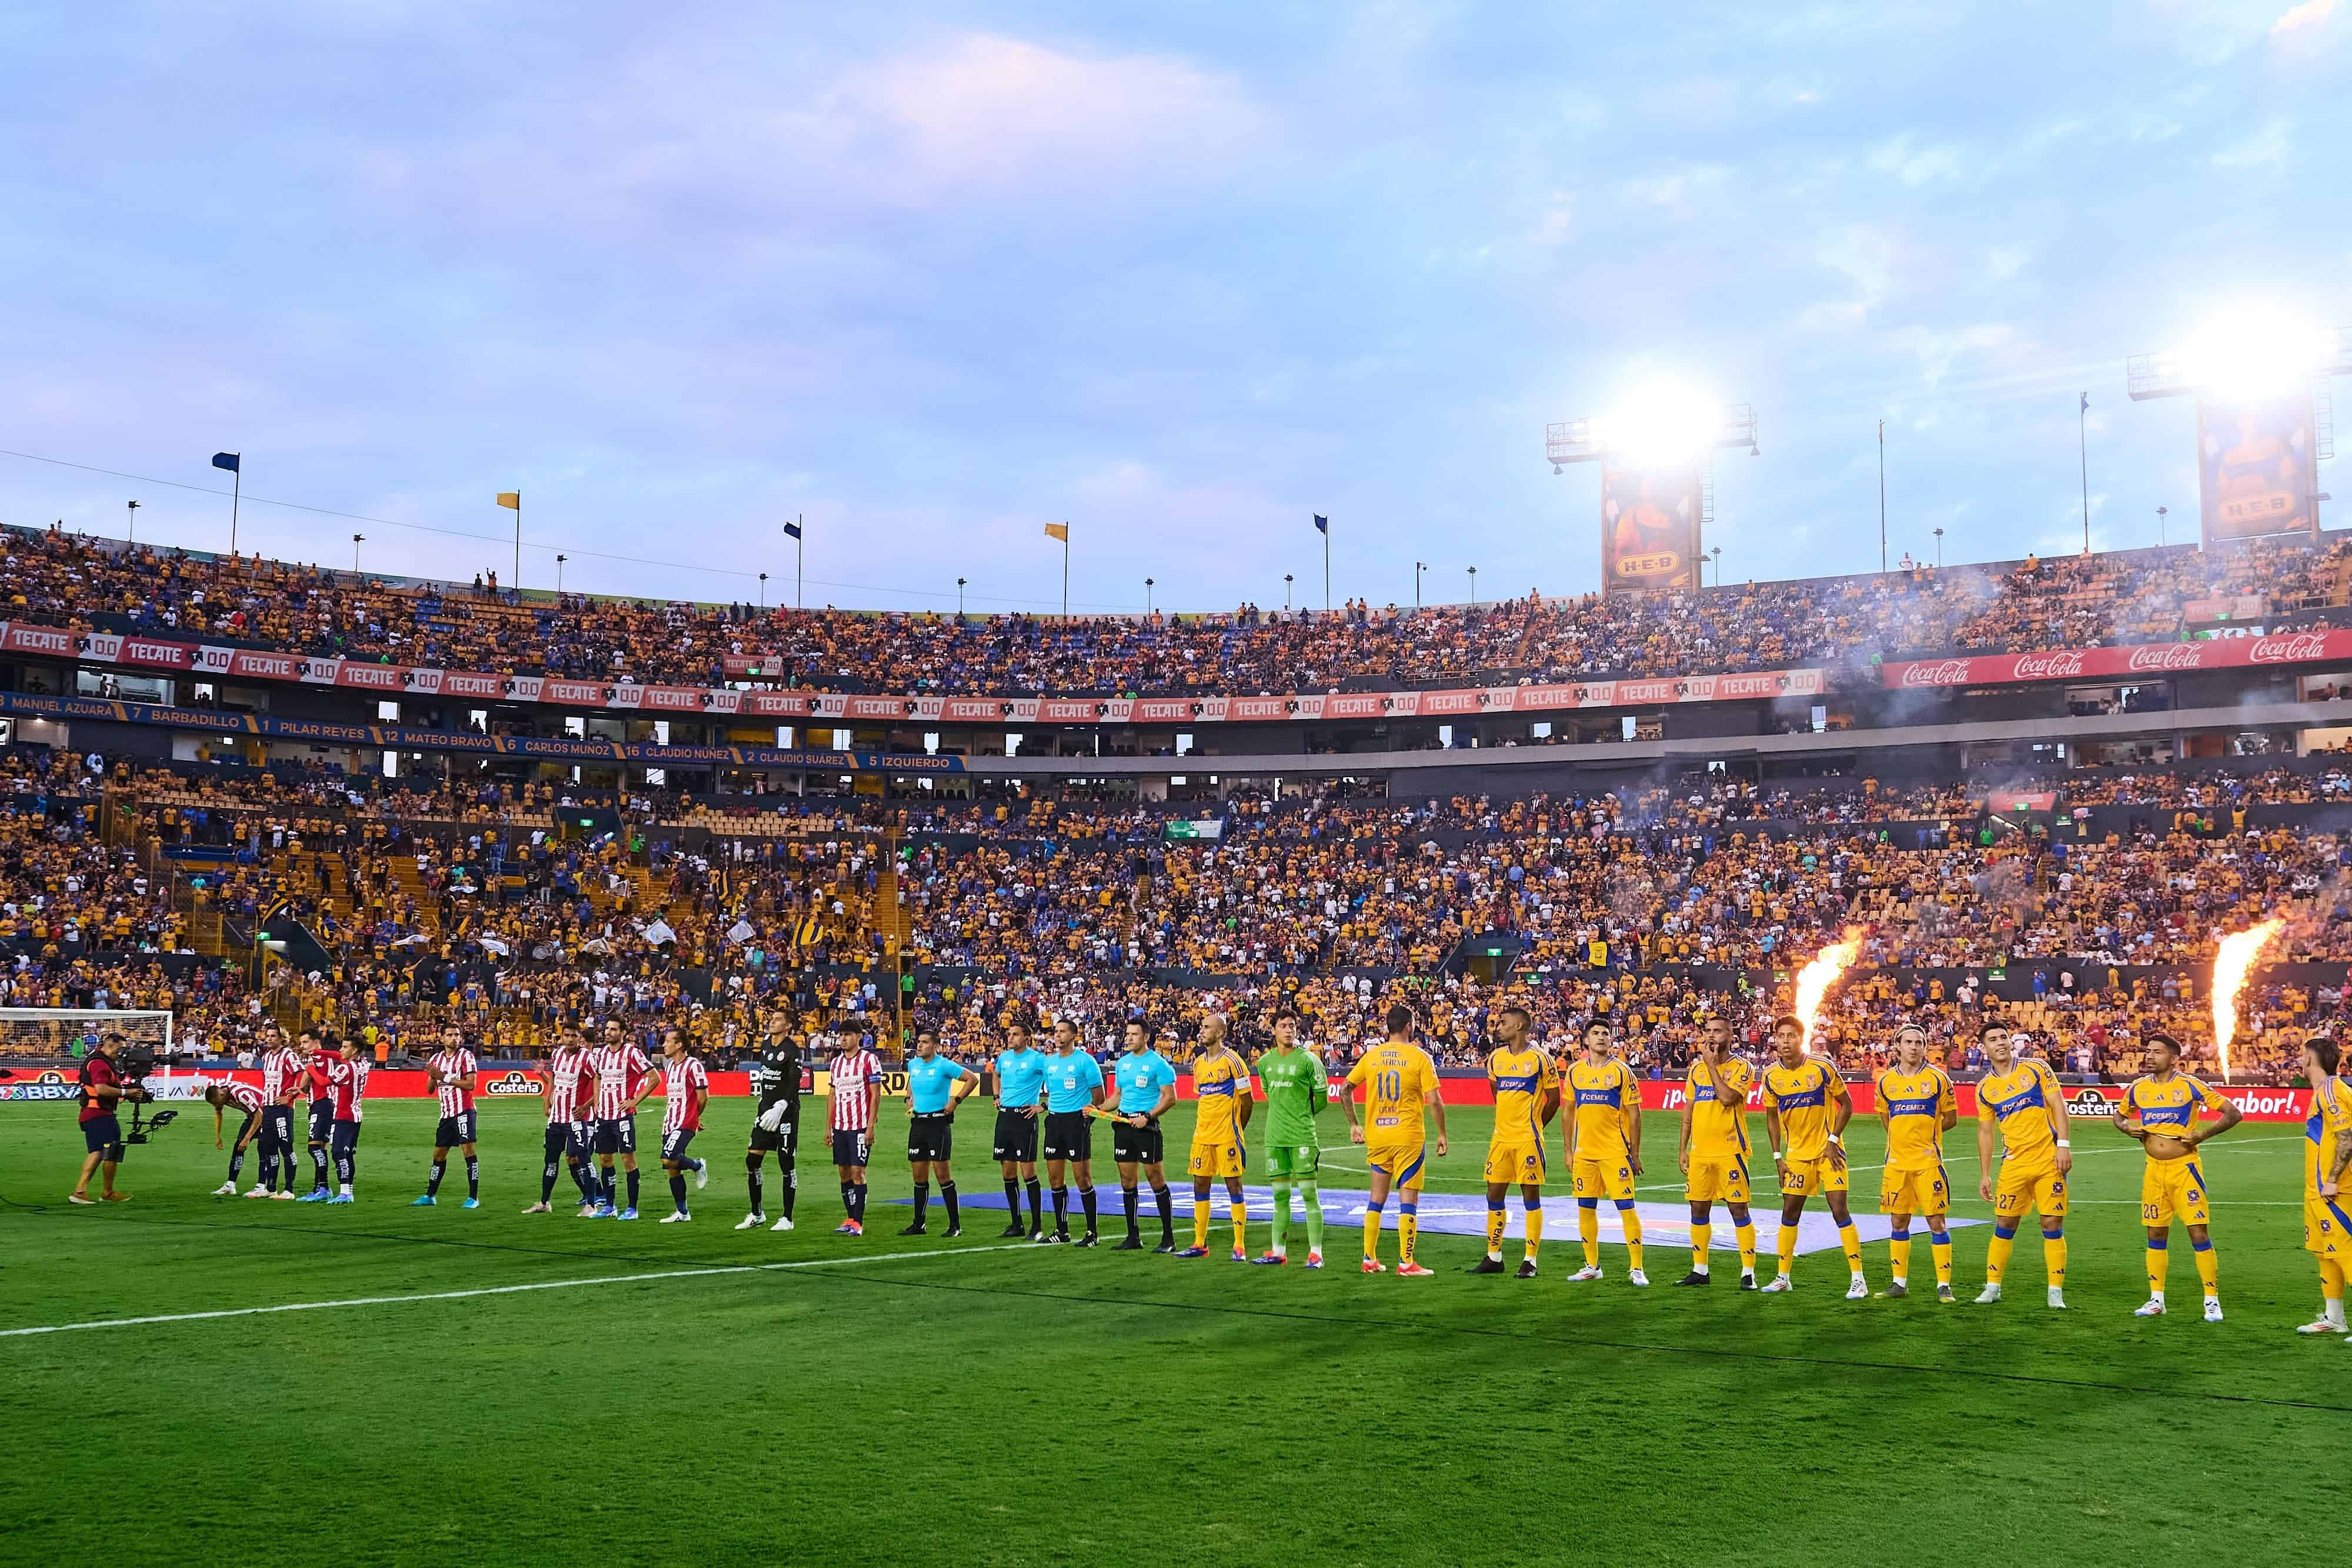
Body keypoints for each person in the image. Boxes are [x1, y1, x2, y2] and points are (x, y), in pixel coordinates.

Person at [2106, 1032, 2234, 1320]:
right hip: (2154, 1171)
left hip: (2185, 1170)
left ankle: (2211, 1300)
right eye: (2148, 1051)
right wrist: (2126, 1128)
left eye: (2157, 1052)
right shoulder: (2138, 1089)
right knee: (2155, 1232)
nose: (2149, 1056)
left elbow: (2232, 1113)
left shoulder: (2190, 1086)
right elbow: (2118, 1115)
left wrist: (2203, 1134)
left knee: (2198, 1233)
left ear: (2174, 1058)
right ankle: (2156, 1299)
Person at [1760, 1015, 1866, 1298]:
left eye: (1791, 1036)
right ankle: (1783, 1276)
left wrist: (1833, 1140)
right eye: (1781, 1036)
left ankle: (1858, 1279)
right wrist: (1777, 1157)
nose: (1785, 1041)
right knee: (1789, 1213)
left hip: (1829, 1153)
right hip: (1796, 1157)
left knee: (1839, 1210)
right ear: (1775, 1040)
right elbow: (1771, 1117)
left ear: (1801, 1038)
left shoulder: (1821, 1067)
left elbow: (1847, 1104)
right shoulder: (1770, 1076)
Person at [1342, 1003, 1446, 1276]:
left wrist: (1354, 1124)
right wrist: (1442, 1133)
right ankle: (1406, 1261)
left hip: (1378, 1136)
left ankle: (1369, 1258)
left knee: (1376, 1199)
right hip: (1407, 1136)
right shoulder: (1419, 1057)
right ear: (1410, 1026)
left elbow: (1346, 1088)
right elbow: (1434, 1100)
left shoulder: (1372, 1056)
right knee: (1408, 1201)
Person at [1973, 1026, 2073, 1309]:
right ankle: (1993, 1287)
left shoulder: (2036, 1068)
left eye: (2003, 1037)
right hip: (2014, 1165)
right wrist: (1984, 1174)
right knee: (2004, 1224)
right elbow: (1985, 1132)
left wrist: (2063, 1145)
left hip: (2048, 1161)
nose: (2000, 1043)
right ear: (1985, 1049)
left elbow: (2059, 1105)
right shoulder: (1985, 1089)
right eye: (1993, 1040)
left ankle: (2055, 1292)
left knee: (2051, 1224)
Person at [1873, 1022, 1959, 1301]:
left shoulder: (1938, 1079)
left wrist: (1926, 1136)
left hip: (1928, 1163)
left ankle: (1944, 1286)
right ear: (1898, 1047)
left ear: (1925, 1047)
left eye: (1919, 1042)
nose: (1914, 1047)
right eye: (1908, 1042)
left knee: (1937, 1222)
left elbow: (1951, 1118)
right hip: (1897, 1164)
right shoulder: (1886, 1082)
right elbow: (1887, 1119)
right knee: (1899, 1221)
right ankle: (1899, 1284)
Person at [1471, 1004, 1555, 1278]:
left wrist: (1536, 1124)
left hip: (1528, 1139)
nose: (1498, 1026)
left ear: (1519, 1026)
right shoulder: (1495, 1059)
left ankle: (1530, 1260)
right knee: (1493, 1195)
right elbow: (1497, 1094)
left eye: (1503, 1022)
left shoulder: (1541, 1059)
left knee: (1530, 1196)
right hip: (1501, 1140)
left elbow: (1553, 1098)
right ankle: (1494, 1257)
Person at [1675, 1013, 1758, 1289]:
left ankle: (1748, 1272)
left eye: (1718, 1031)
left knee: (1738, 1210)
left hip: (1730, 1151)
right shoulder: (1695, 1071)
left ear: (1731, 1036)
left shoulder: (1742, 1067)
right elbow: (1688, 1110)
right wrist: (1683, 1149)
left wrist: (1711, 1065)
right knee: (1698, 1210)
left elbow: (1727, 1098)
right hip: (1700, 1153)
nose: (1711, 1036)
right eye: (1708, 1031)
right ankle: (1700, 1270)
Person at [1564, 1020, 1646, 1286]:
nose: (1602, 1038)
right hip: (1585, 1154)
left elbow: (1635, 1114)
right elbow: (1568, 1112)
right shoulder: (1575, 1072)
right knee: (1586, 1208)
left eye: (1606, 1034)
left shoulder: (1622, 1071)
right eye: (1596, 1034)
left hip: (1615, 1153)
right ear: (1586, 1041)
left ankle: (1637, 1268)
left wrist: (1635, 1153)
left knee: (1626, 1208)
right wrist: (1569, 1150)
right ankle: (1592, 1265)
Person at [1251, 1013, 1324, 1267]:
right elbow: (1269, 1094)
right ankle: (1278, 1252)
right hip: (1274, 1137)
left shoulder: (1309, 1060)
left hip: (1302, 1135)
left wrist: (1302, 1116)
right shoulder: (1264, 1063)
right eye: (1283, 1026)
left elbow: (1322, 1098)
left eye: (1292, 1026)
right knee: (1280, 1197)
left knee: (1308, 1195)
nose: (1288, 1030)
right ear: (1273, 1030)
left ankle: (1316, 1253)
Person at [1184, 1014, 1255, 1260]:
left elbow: (1248, 1100)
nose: (1201, 1032)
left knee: (1233, 1185)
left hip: (1227, 1135)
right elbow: (1204, 1098)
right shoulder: (1198, 1064)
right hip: (1202, 1135)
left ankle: (1239, 1245)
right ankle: (1200, 1243)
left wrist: (1238, 1129)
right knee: (1200, 1185)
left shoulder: (1233, 1061)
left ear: (1221, 1033)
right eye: (1201, 1027)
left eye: (1206, 1028)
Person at [2296, 1035, 2352, 1335]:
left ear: (2309, 1059)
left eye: (2302, 1055)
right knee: (2326, 1253)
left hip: (2335, 1190)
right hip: (2317, 1191)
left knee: (2346, 1253)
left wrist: (2331, 1180)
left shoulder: (2330, 1091)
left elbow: (2348, 1137)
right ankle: (2335, 1319)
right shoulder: (2327, 1090)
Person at [1107, 1022, 1178, 1252]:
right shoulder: (1123, 1064)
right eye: (1127, 1033)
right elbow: (1117, 1097)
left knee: (1155, 1179)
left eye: (1133, 1034)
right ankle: (1133, 1237)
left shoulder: (1159, 1064)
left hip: (1146, 1128)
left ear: (1145, 1036)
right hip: (1124, 1126)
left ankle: (1168, 1239)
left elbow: (1170, 1098)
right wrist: (1096, 1108)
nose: (1128, 1038)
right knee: (1127, 1182)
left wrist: (1147, 1117)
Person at [901, 1028, 975, 1236]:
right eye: (919, 1042)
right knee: (919, 1177)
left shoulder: (944, 1065)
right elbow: (912, 1082)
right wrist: (909, 1098)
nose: (920, 1045)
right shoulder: (913, 1064)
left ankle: (955, 1225)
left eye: (924, 1042)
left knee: (942, 1175)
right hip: (918, 1124)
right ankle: (919, 1224)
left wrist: (956, 1101)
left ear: (935, 1046)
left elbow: (971, 1079)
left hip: (938, 1124)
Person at [1040, 1017, 1107, 1245]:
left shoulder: (1086, 1062)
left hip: (1076, 1123)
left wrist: (1086, 1121)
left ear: (1074, 1036)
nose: (1057, 1036)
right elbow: (1054, 1094)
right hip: (1054, 1122)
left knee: (1083, 1179)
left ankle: (1092, 1233)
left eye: (1062, 1032)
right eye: (1055, 1032)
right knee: (1055, 1178)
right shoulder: (1050, 1063)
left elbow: (1099, 1098)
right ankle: (1062, 1231)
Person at [739, 1012, 804, 1232]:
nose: (772, 1022)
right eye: (772, 1019)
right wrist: (766, 1103)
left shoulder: (792, 1050)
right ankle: (757, 1214)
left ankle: (787, 1218)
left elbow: (794, 1083)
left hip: (785, 1113)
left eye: (777, 1020)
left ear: (788, 1026)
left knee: (786, 1164)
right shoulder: (766, 1045)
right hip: (765, 1111)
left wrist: (782, 1105)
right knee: (752, 1160)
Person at [584, 1021, 653, 1220]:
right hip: (603, 1117)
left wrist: (635, 1100)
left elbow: (654, 1077)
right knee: (605, 1160)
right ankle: (610, 1206)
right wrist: (596, 1102)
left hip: (622, 1117)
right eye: (606, 1029)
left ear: (623, 1032)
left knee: (628, 1161)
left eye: (613, 1029)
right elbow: (597, 1077)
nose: (608, 1032)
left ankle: (632, 1208)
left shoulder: (632, 1053)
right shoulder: (600, 1054)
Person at [527, 1022, 597, 1215]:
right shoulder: (557, 1054)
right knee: (550, 1161)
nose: (570, 1039)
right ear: (562, 1036)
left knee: (584, 1161)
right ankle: (544, 1203)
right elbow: (555, 1079)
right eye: (567, 1035)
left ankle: (591, 1205)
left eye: (574, 1035)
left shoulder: (587, 1058)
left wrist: (586, 1106)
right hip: (556, 1119)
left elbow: (598, 1082)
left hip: (574, 1119)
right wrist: (547, 1100)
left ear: (580, 1037)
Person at [990, 1021, 1050, 1240]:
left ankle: (1037, 1226)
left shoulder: (1038, 1059)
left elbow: (1056, 1079)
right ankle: (1017, 1223)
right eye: (1009, 1034)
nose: (1011, 1038)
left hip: (1025, 1118)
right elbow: (995, 1075)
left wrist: (1043, 1106)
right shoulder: (1004, 1058)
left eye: (1015, 1034)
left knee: (1028, 1173)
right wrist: (997, 1096)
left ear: (1027, 1037)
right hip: (1005, 1117)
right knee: (1008, 1173)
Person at [412, 1024, 481, 1209]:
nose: (454, 1038)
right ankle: (430, 1196)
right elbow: (429, 1090)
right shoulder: (436, 1059)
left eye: (457, 1035)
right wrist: (432, 1075)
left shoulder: (466, 1056)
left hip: (464, 1111)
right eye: (450, 1035)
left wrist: (444, 1076)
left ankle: (473, 1198)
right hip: (446, 1114)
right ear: (442, 1038)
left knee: (468, 1152)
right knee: (439, 1155)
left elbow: (470, 1085)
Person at [68, 1032, 140, 1205]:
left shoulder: (101, 1061)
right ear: (111, 1045)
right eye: (121, 1048)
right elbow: (101, 1089)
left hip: (98, 1113)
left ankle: (89, 1191)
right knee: (106, 1151)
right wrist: (126, 1093)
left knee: (100, 1152)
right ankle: (90, 1192)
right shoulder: (99, 1063)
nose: (122, 1053)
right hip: (97, 1113)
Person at [828, 1028, 886, 1235]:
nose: (843, 1038)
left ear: (858, 1037)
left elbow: (876, 1094)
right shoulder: (836, 1063)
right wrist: (828, 1127)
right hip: (840, 1127)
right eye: (841, 1034)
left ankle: (858, 1222)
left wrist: (871, 1126)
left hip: (860, 1126)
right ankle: (850, 1217)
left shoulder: (869, 1060)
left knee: (858, 1173)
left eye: (848, 1035)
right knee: (844, 1173)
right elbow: (832, 1095)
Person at [657, 1026, 711, 1224]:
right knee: (673, 1168)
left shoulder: (693, 1066)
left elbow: (703, 1097)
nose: (664, 1044)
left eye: (668, 1041)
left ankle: (697, 1165)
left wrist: (695, 1117)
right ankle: (682, 1213)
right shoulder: (670, 1066)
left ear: (679, 1045)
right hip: (669, 1122)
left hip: (685, 1121)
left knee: (667, 1159)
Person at [250, 1025, 303, 1199]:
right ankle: (271, 1189)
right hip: (268, 1108)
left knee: (286, 1147)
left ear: (282, 1038)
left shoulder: (289, 1055)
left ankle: (289, 1189)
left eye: (274, 1036)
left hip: (283, 1108)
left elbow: (301, 1074)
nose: (270, 1039)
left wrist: (289, 1098)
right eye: (268, 1036)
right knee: (269, 1148)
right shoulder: (266, 1057)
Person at [313, 1034, 366, 1205]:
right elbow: (338, 1056)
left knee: (337, 1152)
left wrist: (310, 1069)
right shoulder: (363, 1064)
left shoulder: (345, 1069)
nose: (341, 1050)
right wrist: (320, 1052)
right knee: (348, 1154)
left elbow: (322, 1082)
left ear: (354, 1050)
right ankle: (348, 1191)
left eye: (345, 1047)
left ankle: (344, 1192)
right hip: (356, 1116)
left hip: (343, 1116)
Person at [203, 1078, 266, 1196]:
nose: (216, 1106)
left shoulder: (241, 1095)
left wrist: (247, 1138)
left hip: (266, 1114)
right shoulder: (221, 1095)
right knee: (238, 1148)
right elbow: (218, 1113)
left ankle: (261, 1186)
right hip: (252, 1115)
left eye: (216, 1103)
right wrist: (218, 1137)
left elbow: (259, 1115)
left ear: (221, 1095)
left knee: (263, 1149)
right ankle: (230, 1185)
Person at [299, 1027, 335, 1198]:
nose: (302, 1046)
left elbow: (305, 1086)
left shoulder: (318, 1057)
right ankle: (319, 1188)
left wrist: (308, 1071)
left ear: (316, 1042)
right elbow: (306, 1086)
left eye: (305, 1042)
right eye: (301, 1043)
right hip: (322, 1105)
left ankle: (324, 1188)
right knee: (320, 1148)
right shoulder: (323, 1058)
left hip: (321, 1105)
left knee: (314, 1148)